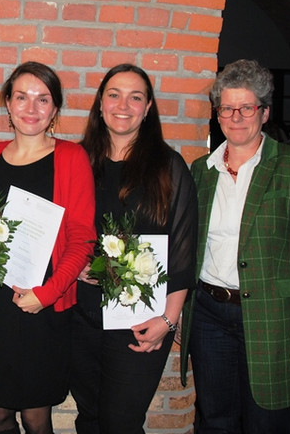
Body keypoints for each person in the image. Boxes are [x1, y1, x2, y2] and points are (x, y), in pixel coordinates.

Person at [179, 59, 290, 433]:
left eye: (246, 107)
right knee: (215, 419)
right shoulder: (202, 170)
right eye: (227, 108)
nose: (236, 117)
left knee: (267, 420)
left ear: (264, 112)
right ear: (217, 115)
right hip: (210, 315)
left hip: (271, 316)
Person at [70, 64, 198, 434]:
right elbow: (63, 231)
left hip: (140, 322)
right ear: (99, 104)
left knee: (120, 423)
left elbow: (183, 251)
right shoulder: (77, 161)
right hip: (81, 317)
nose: (123, 105)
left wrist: (168, 321)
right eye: (114, 94)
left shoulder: (168, 168)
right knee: (89, 419)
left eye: (135, 96)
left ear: (148, 107)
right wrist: (73, 262)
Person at [0, 61, 96, 434]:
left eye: (43, 99)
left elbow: (82, 238)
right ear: (8, 103)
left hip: (44, 306)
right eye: (22, 97)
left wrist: (47, 294)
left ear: (55, 109)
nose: (31, 108)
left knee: (36, 418)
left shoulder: (72, 158)